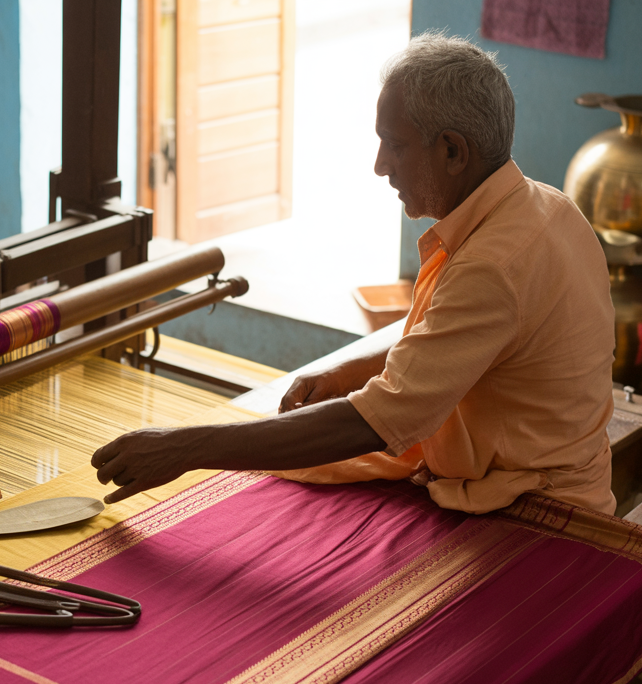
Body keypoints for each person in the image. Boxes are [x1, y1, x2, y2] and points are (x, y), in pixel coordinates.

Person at [91, 33, 615, 515]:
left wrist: (188, 447)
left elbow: (376, 421)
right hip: (537, 482)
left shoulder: (492, 265)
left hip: (541, 516)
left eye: (396, 144)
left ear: (453, 151)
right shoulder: (546, 207)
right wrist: (349, 371)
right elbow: (450, 342)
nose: (380, 165)